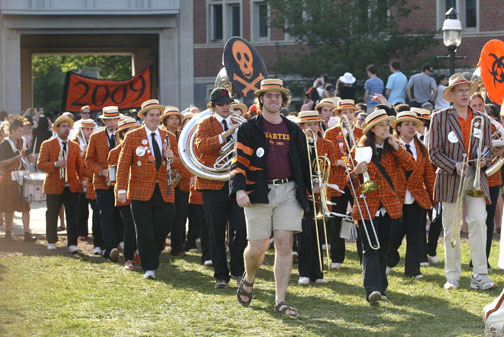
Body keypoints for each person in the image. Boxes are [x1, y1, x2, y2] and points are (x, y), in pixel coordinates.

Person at [231, 79, 311, 316]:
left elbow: (302, 163)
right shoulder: (249, 128)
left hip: (288, 191)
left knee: (285, 245)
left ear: (283, 101)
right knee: (256, 250)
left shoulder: (294, 129)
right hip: (257, 191)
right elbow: (239, 161)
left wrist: (310, 185)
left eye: (278, 96)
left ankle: (280, 300)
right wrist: (239, 189)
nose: (274, 100)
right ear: (262, 99)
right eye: (269, 96)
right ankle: (250, 277)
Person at [429, 73, 497, 291]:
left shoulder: (483, 118)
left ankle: (479, 274)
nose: (465, 94)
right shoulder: (439, 118)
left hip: (476, 176)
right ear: (451, 95)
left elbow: (487, 146)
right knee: (451, 226)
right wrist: (454, 165)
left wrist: (485, 158)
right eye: (460, 90)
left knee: (479, 221)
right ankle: (453, 276)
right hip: (451, 178)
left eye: (467, 90)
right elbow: (434, 152)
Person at [116, 99, 191, 280]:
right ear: (143, 117)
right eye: (152, 115)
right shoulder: (133, 136)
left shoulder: (169, 137)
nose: (155, 119)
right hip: (140, 191)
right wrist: (121, 189)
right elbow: (123, 164)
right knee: (144, 230)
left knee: (163, 228)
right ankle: (149, 267)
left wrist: (190, 173)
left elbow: (179, 164)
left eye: (158, 116)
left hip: (164, 190)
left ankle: (150, 254)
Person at [352, 109, 415, 305]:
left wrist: (396, 145)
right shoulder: (359, 149)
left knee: (384, 248)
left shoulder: (394, 149)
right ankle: (373, 289)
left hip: (389, 206)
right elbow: (350, 181)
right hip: (367, 206)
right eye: (381, 125)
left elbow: (410, 164)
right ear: (372, 129)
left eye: (387, 124)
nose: (386, 127)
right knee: (371, 248)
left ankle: (381, 287)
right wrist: (356, 172)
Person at [194, 87, 247, 289]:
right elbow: (201, 146)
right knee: (215, 231)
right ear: (213, 106)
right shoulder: (204, 123)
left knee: (241, 228)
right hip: (211, 184)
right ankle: (221, 275)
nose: (226, 107)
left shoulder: (238, 121)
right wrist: (227, 133)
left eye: (228, 103)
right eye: (222, 104)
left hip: (235, 183)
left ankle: (237, 269)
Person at [387, 111, 435, 278]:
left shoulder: (422, 149)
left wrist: (434, 200)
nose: (411, 127)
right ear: (398, 127)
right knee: (394, 235)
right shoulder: (390, 146)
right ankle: (389, 259)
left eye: (414, 124)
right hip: (395, 198)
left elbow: (429, 175)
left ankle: (413, 270)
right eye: (406, 124)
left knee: (415, 235)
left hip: (416, 198)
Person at [296, 110, 337, 285]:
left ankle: (318, 273)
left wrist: (323, 182)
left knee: (319, 235)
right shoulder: (296, 145)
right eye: (309, 125)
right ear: (302, 127)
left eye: (315, 124)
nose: (313, 128)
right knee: (304, 234)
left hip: (320, 195)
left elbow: (332, 168)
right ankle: (304, 272)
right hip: (303, 194)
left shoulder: (327, 144)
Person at [324, 99, 362, 269]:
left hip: (357, 181)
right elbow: (326, 157)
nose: (348, 115)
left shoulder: (362, 132)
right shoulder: (331, 133)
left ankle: (364, 257)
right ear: (338, 115)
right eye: (344, 112)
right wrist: (341, 162)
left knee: (361, 218)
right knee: (336, 219)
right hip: (337, 181)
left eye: (351, 112)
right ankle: (337, 259)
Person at [37, 115, 83, 252]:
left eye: (68, 126)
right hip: (53, 185)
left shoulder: (74, 145)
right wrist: (55, 164)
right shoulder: (47, 144)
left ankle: (72, 244)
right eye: (63, 126)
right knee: (52, 214)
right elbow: (40, 164)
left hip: (71, 185)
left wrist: (83, 179)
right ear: (56, 129)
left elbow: (79, 166)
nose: (66, 129)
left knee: (73, 216)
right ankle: (51, 241)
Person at [85, 106, 123, 262]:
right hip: (102, 182)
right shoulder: (96, 137)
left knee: (119, 216)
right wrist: (101, 171)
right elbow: (88, 160)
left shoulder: (125, 135)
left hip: (120, 182)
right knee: (105, 215)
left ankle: (118, 242)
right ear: (104, 121)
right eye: (109, 119)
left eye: (114, 119)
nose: (112, 122)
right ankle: (110, 247)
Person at [109, 117, 141, 271]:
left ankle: (138, 252)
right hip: (124, 194)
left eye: (136, 130)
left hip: (140, 193)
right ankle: (128, 258)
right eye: (130, 131)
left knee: (141, 225)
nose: (135, 133)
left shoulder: (142, 148)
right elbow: (113, 176)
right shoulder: (115, 152)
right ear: (122, 134)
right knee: (130, 225)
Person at [0, 116, 37, 242]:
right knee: (9, 206)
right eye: (20, 131)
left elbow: (28, 155)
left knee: (25, 205)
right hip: (10, 179)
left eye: (22, 131)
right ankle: (8, 232)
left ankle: (27, 233)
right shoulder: (4, 144)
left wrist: (31, 157)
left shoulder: (23, 142)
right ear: (12, 131)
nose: (22, 134)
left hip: (22, 177)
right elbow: (2, 163)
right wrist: (16, 158)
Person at [72, 118, 104, 255]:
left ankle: (99, 241)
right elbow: (73, 163)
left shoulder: (96, 140)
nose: (89, 131)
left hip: (92, 179)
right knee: (81, 209)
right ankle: (82, 232)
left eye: (91, 129)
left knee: (97, 211)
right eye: (86, 129)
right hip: (80, 179)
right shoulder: (75, 142)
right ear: (81, 130)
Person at [160, 106, 188, 257]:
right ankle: (161, 242)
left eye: (177, 118)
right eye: (171, 118)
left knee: (180, 216)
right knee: (164, 215)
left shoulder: (184, 135)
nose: (175, 120)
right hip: (163, 180)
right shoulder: (159, 135)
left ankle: (177, 247)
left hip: (181, 181)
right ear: (165, 120)